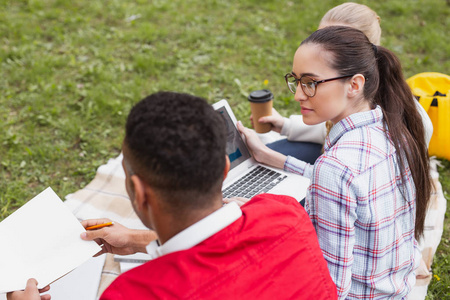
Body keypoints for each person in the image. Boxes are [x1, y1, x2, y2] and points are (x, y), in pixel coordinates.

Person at [8, 92, 337, 300]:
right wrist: (141, 240)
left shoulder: (134, 293)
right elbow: (221, 244)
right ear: (224, 170)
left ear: (138, 193)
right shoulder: (286, 213)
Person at [233, 26, 432, 298]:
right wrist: (272, 158)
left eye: (311, 83)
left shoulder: (336, 168)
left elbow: (330, 287)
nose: (298, 95)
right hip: (395, 287)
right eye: (296, 80)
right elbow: (347, 187)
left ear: (354, 85)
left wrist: (262, 224)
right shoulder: (395, 129)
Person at [259, 2, 433, 164]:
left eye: (338, 42)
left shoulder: (385, 125)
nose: (322, 47)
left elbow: (342, 180)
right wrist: (285, 125)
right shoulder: (344, 101)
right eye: (321, 37)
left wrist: (283, 162)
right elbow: (331, 128)